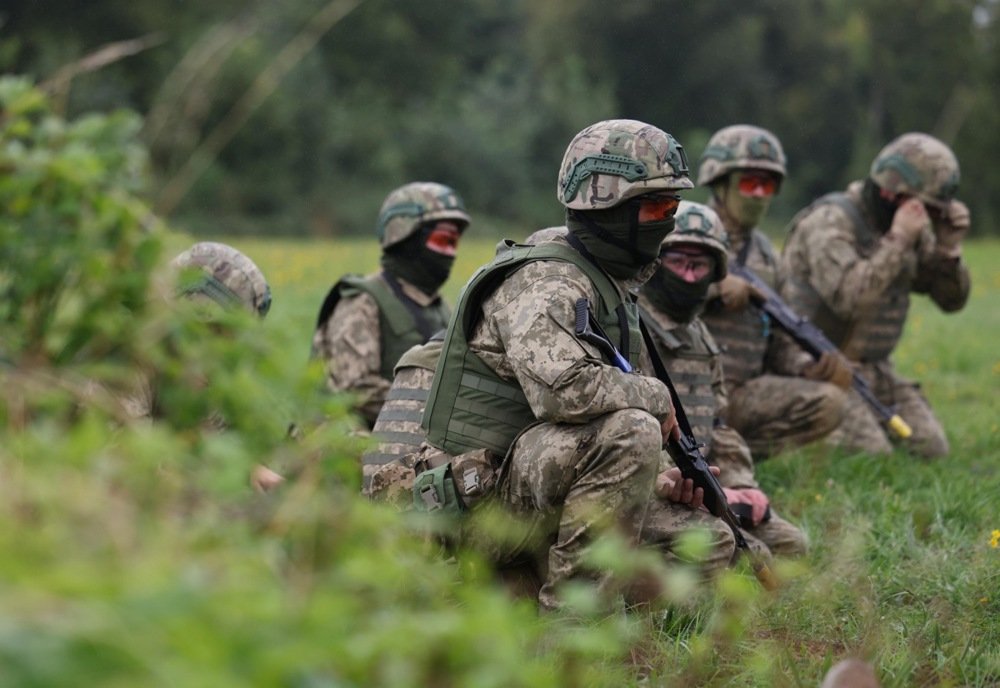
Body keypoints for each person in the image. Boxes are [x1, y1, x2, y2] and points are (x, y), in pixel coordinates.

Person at [419, 119, 737, 611]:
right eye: (656, 206)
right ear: (609, 208)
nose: (668, 221)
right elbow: (565, 392)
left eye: (672, 206)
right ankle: (570, 632)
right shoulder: (545, 280)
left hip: (541, 488)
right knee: (632, 429)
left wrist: (654, 480)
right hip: (478, 507)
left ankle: (520, 594)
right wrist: (656, 398)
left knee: (709, 543)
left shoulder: (609, 282)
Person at [781, 133, 971, 457]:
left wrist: (947, 248)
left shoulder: (913, 224)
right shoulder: (831, 222)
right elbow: (850, 300)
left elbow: (951, 301)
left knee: (931, 449)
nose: (928, 217)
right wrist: (897, 241)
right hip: (821, 367)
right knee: (873, 454)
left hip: (876, 370)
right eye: (927, 208)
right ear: (891, 193)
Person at [637, 201, 807, 559]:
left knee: (792, 545)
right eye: (677, 262)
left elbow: (720, 426)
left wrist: (741, 486)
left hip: (706, 485)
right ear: (655, 263)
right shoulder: (632, 330)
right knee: (746, 558)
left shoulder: (700, 337)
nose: (687, 276)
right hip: (649, 490)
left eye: (698, 266)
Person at [696, 124, 851, 459]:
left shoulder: (767, 255)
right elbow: (646, 302)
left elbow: (779, 340)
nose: (758, 195)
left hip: (741, 392)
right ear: (721, 183)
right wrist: (712, 287)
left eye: (768, 185)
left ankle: (732, 456)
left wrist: (805, 367)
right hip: (685, 387)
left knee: (829, 403)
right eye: (749, 182)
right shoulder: (684, 230)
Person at [311, 182, 470, 428]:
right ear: (404, 237)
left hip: (410, 437)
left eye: (454, 243)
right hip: (349, 443)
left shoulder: (442, 310)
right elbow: (354, 390)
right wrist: (440, 405)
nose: (449, 253)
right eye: (442, 240)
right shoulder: (362, 302)